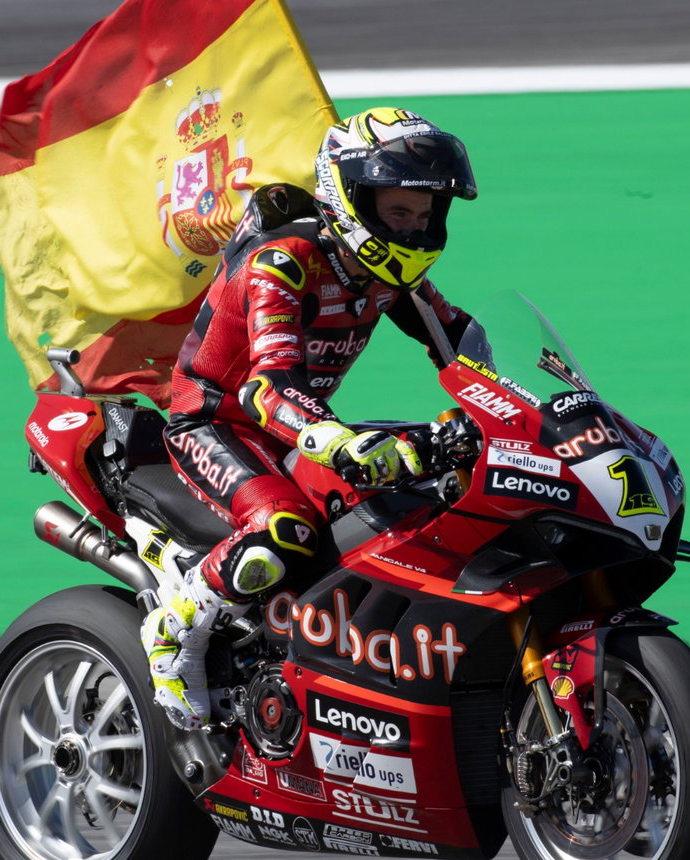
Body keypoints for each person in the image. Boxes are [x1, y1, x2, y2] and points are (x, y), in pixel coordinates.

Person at [141, 107, 479, 729]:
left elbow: (461, 342)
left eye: (424, 215)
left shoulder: (389, 273)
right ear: (353, 201)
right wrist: (342, 443)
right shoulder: (284, 261)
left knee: (431, 487)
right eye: (398, 213)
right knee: (283, 526)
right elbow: (267, 390)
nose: (413, 229)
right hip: (218, 421)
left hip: (302, 424)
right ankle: (175, 629)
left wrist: (516, 414)